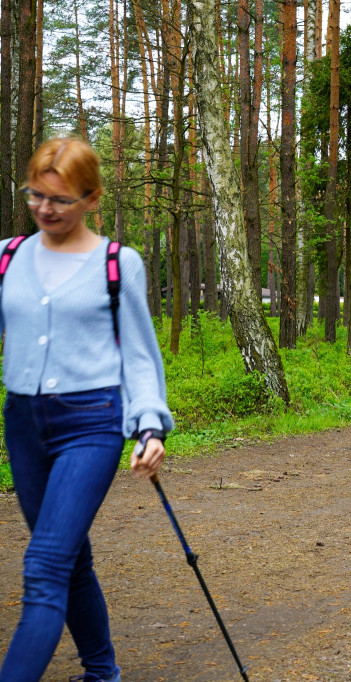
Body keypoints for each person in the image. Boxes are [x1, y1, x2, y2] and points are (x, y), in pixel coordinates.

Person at [0, 138, 173, 682]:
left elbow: (141, 357)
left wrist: (149, 427)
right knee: (68, 557)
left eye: (60, 200)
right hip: (24, 423)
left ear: (92, 198)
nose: (45, 209)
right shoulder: (7, 256)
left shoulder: (119, 263)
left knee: (45, 563)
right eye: (35, 196)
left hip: (92, 423)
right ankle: (102, 673)